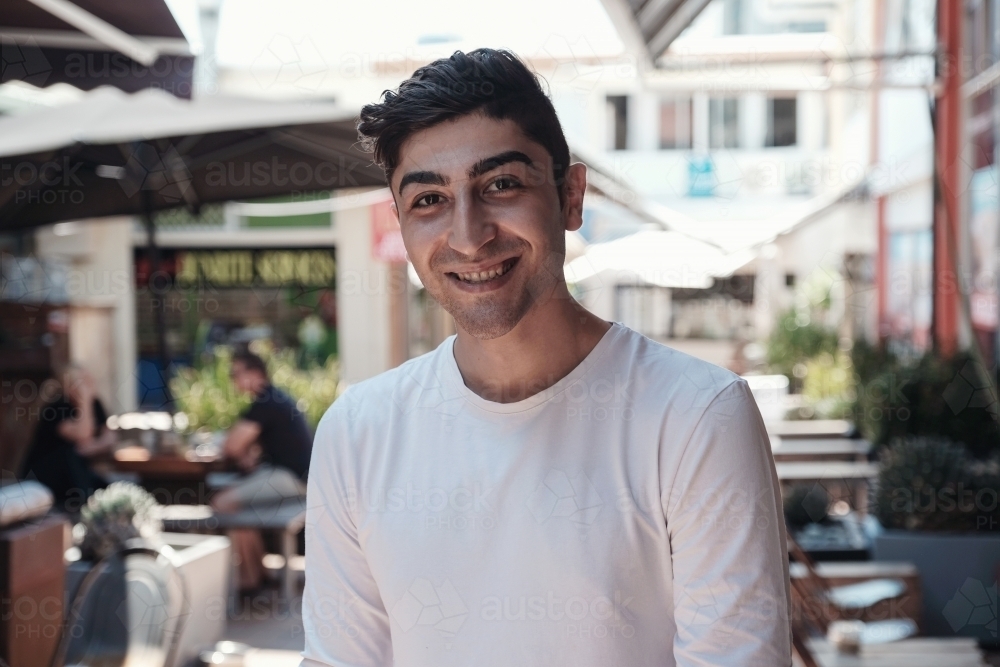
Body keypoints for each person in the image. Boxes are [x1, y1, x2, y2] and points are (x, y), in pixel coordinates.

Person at [303, 49, 791, 666]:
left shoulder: (696, 416)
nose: (468, 234)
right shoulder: (357, 433)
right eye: (428, 199)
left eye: (501, 185)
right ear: (401, 224)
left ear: (570, 196)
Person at [211, 350, 312, 592]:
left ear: (255, 373)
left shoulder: (267, 402)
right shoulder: (273, 399)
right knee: (236, 502)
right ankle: (256, 574)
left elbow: (231, 446)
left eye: (236, 373)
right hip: (295, 475)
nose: (233, 379)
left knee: (223, 503)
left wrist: (239, 450)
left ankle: (250, 578)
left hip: (295, 479)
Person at [20, 366, 114, 514]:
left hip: (76, 475)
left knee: (106, 487)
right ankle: (88, 507)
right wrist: (84, 402)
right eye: (83, 382)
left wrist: (90, 447)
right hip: (43, 474)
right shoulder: (57, 408)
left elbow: (110, 438)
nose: (90, 385)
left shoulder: (95, 404)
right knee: (69, 454)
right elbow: (82, 435)